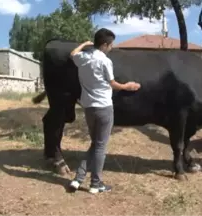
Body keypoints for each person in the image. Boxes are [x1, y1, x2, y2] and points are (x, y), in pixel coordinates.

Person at [68, 28, 141, 194]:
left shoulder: (82, 58)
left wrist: (84, 44)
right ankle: (96, 183)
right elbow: (113, 84)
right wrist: (127, 86)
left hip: (88, 107)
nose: (112, 47)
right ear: (105, 45)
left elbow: (72, 54)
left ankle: (78, 179)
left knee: (95, 145)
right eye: (111, 44)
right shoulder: (105, 61)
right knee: (100, 147)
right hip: (103, 107)